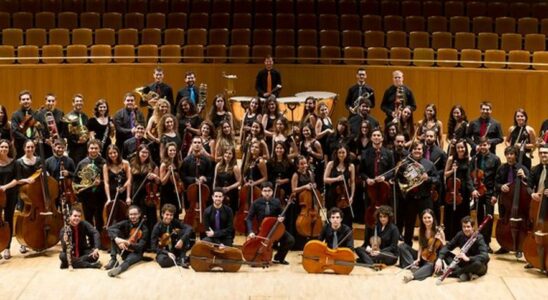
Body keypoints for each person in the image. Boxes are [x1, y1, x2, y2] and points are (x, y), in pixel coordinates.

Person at [397, 142, 439, 246]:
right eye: (415, 149)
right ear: (411, 151)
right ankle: (407, 247)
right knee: (409, 225)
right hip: (410, 198)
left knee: (428, 224)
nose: (417, 151)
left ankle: (428, 247)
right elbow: (399, 178)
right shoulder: (405, 163)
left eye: (419, 149)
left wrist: (428, 178)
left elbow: (437, 179)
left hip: (425, 199)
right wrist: (399, 168)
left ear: (423, 151)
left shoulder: (429, 164)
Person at [246, 182, 295, 264]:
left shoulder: (277, 202)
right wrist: (250, 231)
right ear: (261, 192)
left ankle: (279, 257)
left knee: (290, 240)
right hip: (262, 230)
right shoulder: (256, 203)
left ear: (272, 192)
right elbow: (249, 218)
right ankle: (256, 256)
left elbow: (283, 214)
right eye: (265, 191)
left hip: (275, 228)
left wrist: (282, 218)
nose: (267, 193)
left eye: (269, 191)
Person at [494, 145, 530, 256]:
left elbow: (530, 184)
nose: (509, 156)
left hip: (519, 203)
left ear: (515, 155)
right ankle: (504, 246)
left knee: (520, 225)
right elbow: (496, 183)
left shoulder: (522, 169)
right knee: (504, 221)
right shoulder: (501, 168)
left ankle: (519, 248)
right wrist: (501, 187)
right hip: (505, 202)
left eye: (512, 154)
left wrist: (524, 177)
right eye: (507, 154)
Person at [359, 129, 395, 231]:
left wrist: (384, 177)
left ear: (382, 138)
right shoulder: (365, 153)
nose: (376, 137)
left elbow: (392, 171)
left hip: (384, 190)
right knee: (369, 213)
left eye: (378, 135)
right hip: (371, 190)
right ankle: (367, 241)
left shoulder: (388, 153)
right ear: (371, 138)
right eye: (374, 135)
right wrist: (367, 179)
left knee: (386, 213)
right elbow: (361, 172)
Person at [469, 137, 500, 252]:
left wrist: (495, 195)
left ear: (489, 146)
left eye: (485, 145)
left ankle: (487, 243)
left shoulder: (495, 159)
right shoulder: (474, 159)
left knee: (489, 217)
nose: (483, 147)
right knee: (479, 216)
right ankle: (480, 242)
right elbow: (469, 176)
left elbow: (498, 178)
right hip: (478, 192)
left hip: (490, 192)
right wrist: (473, 189)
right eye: (481, 145)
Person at [435, 216, 490, 282]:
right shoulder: (460, 235)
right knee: (443, 252)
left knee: (477, 264)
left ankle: (453, 273)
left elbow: (485, 256)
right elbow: (448, 246)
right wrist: (439, 258)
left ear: (473, 227)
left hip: (476, 265)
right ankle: (465, 274)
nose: (466, 229)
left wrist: (469, 258)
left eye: (468, 226)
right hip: (464, 264)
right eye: (464, 227)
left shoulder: (479, 238)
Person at [444, 140, 479, 240]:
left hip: (463, 190)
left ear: (465, 148)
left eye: (462, 147)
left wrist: (472, 190)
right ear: (455, 149)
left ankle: (462, 237)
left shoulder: (469, 159)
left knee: (462, 213)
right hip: (452, 189)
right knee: (451, 213)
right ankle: (450, 237)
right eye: (458, 147)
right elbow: (445, 174)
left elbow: (469, 177)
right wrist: (452, 170)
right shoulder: (451, 158)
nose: (460, 149)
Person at [400, 208, 446, 283]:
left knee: (430, 266)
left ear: (433, 218)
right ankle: (413, 265)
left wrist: (440, 239)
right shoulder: (421, 230)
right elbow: (420, 246)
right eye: (424, 218)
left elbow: (445, 247)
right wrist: (418, 258)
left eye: (429, 217)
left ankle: (413, 275)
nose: (427, 220)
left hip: (433, 258)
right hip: (423, 255)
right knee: (402, 246)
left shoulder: (439, 230)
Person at [105, 205, 150, 277]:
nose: (133, 216)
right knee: (114, 232)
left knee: (128, 261)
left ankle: (119, 269)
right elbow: (110, 229)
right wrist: (117, 240)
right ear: (128, 215)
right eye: (131, 214)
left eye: (135, 214)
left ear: (139, 214)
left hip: (136, 252)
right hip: (123, 248)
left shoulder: (144, 229)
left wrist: (128, 243)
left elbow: (140, 247)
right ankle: (113, 260)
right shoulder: (126, 223)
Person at [74, 139, 106, 233]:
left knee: (99, 218)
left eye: (96, 148)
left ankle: (98, 240)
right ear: (88, 149)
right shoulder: (82, 163)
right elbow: (76, 179)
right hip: (86, 196)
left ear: (99, 149)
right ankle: (91, 240)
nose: (93, 150)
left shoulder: (104, 163)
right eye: (91, 148)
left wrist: (101, 182)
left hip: (99, 195)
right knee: (88, 219)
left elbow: (109, 179)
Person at [525, 144, 548, 269]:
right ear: (538, 154)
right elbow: (528, 186)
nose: (544, 155)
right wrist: (532, 193)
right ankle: (533, 258)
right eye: (542, 153)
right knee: (536, 229)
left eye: (546, 153)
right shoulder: (534, 170)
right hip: (537, 204)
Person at [130, 144, 160, 236]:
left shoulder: (152, 164)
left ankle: (150, 240)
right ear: (138, 152)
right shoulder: (132, 163)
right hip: (136, 193)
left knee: (150, 218)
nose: (144, 154)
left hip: (148, 195)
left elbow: (158, 181)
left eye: (146, 152)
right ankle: (138, 238)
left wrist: (155, 176)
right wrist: (129, 195)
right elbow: (130, 181)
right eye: (143, 152)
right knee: (137, 216)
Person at [151, 204, 193, 268]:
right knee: (163, 261)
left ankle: (181, 258)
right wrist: (167, 253)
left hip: (175, 249)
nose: (169, 217)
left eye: (171, 215)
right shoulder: (157, 227)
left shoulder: (174, 221)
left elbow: (189, 228)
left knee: (184, 232)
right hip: (164, 252)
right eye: (167, 214)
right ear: (162, 214)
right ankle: (181, 259)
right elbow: (153, 247)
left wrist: (182, 240)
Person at [324, 145, 356, 227]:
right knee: (332, 216)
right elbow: (325, 179)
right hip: (332, 195)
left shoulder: (351, 166)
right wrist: (336, 179)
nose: (341, 155)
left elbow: (352, 182)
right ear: (336, 153)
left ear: (347, 153)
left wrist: (351, 196)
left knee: (346, 218)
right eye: (339, 152)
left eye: (343, 152)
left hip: (345, 195)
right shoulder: (331, 164)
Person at [0, 139, 19, 259]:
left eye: (6, 147)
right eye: (1, 147)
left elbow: (16, 180)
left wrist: (5, 187)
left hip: (10, 194)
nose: (3, 149)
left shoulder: (14, 162)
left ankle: (7, 248)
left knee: (8, 219)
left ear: (9, 149)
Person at [35, 93, 64, 158]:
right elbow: (38, 130)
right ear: (45, 102)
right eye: (49, 101)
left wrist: (58, 141)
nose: (51, 103)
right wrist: (45, 140)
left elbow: (62, 129)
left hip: (57, 144)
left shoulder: (60, 113)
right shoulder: (40, 114)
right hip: (44, 145)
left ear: (55, 102)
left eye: (53, 101)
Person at [213, 146, 241, 214]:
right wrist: (214, 192)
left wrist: (229, 188)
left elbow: (239, 182)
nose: (227, 155)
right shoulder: (218, 165)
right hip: (219, 194)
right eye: (226, 153)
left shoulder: (235, 167)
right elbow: (215, 180)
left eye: (230, 153)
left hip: (231, 195)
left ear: (233, 155)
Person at [10, 90, 38, 156]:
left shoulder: (36, 114)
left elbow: (37, 130)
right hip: (20, 146)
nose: (26, 101)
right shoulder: (15, 114)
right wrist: (28, 140)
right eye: (23, 99)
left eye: (27, 99)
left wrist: (34, 140)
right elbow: (14, 131)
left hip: (34, 146)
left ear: (31, 101)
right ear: (20, 102)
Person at [65, 94, 90, 164]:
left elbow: (87, 130)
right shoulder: (68, 117)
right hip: (74, 148)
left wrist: (86, 138)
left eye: (81, 101)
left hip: (84, 148)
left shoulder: (85, 116)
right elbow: (66, 133)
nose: (79, 103)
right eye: (77, 101)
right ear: (73, 103)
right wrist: (77, 141)